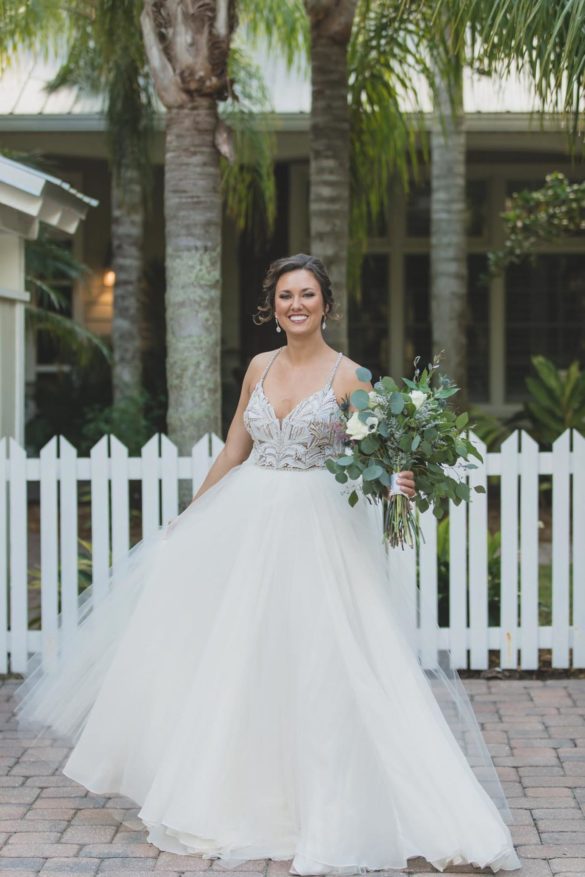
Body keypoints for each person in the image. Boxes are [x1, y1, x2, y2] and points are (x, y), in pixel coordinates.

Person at [16, 253, 521, 875]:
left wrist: (399, 479)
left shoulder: (350, 376)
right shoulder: (259, 365)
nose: (296, 305)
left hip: (317, 526)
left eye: (307, 294)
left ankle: (338, 801)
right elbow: (235, 446)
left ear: (326, 305)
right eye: (285, 296)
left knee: (321, 659)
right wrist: (191, 514)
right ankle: (233, 794)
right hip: (247, 517)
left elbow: (375, 451)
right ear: (273, 307)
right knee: (239, 654)